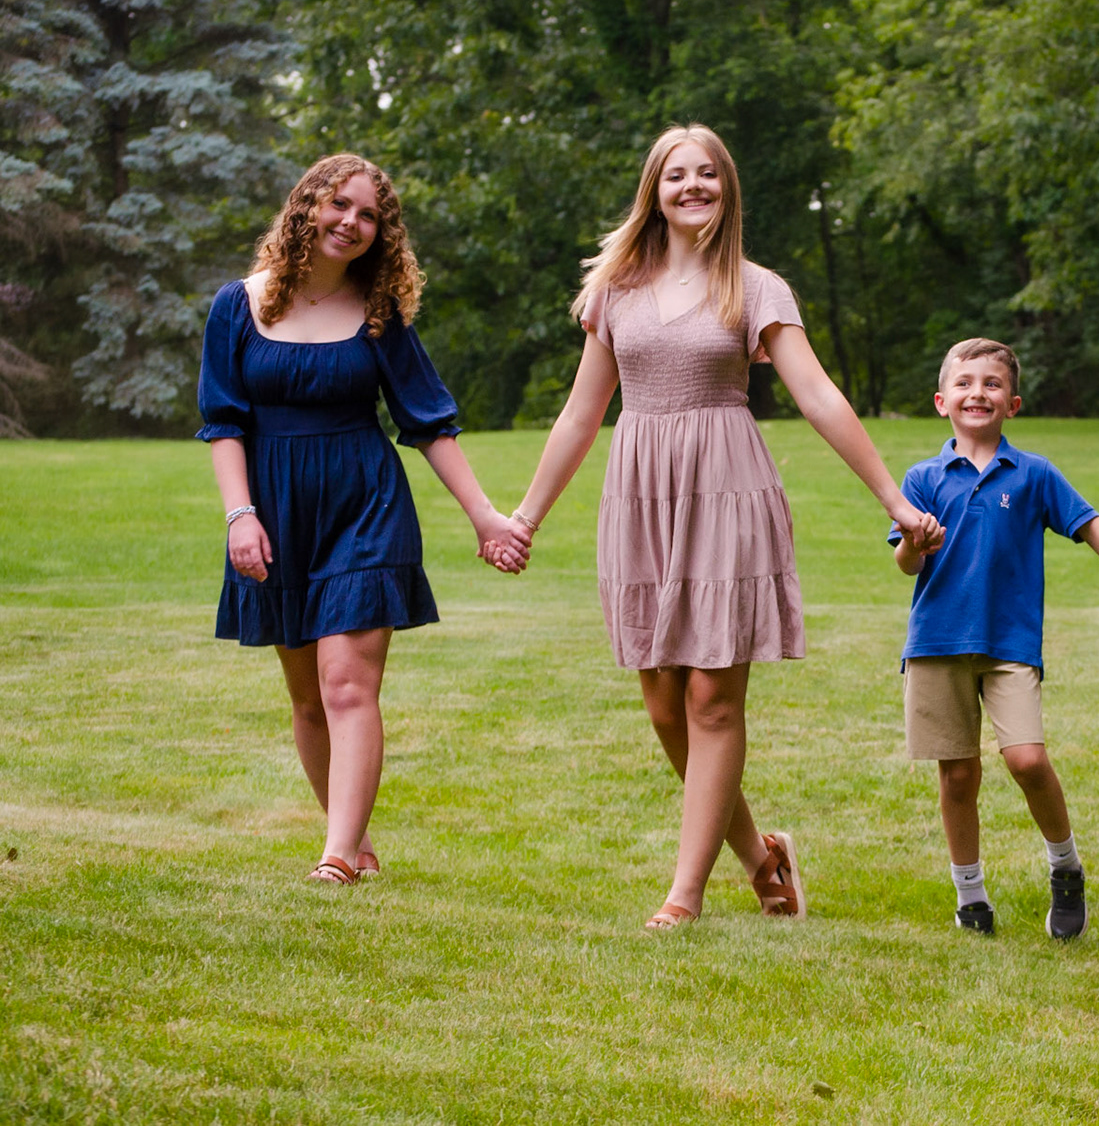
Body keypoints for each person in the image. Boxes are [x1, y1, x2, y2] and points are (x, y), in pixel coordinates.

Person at [505, 124, 941, 930]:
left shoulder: (756, 288)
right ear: (655, 192)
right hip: (642, 498)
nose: (693, 186)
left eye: (708, 173)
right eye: (677, 175)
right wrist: (524, 516)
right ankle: (761, 855)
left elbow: (818, 394)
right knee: (665, 707)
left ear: (728, 188)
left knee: (711, 700)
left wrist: (894, 498)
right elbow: (580, 414)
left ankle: (685, 893)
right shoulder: (615, 291)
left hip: (726, 491)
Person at [197, 153, 530, 887]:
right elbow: (223, 421)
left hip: (365, 505)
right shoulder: (238, 305)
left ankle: (338, 856)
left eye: (370, 215)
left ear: (384, 232)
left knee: (347, 683)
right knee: (308, 697)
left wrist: (484, 516)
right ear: (306, 207)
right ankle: (356, 838)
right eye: (339, 204)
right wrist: (240, 515)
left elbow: (428, 421)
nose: (351, 222)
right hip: (275, 512)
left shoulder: (379, 316)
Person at [889, 339, 1099, 939]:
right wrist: (913, 542)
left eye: (992, 384)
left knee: (1027, 760)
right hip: (936, 644)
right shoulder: (921, 478)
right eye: (964, 383)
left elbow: (1094, 527)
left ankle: (1065, 868)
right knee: (958, 776)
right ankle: (971, 898)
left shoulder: (1034, 474)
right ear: (941, 401)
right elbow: (905, 565)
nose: (977, 393)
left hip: (1009, 644)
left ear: (1013, 403)